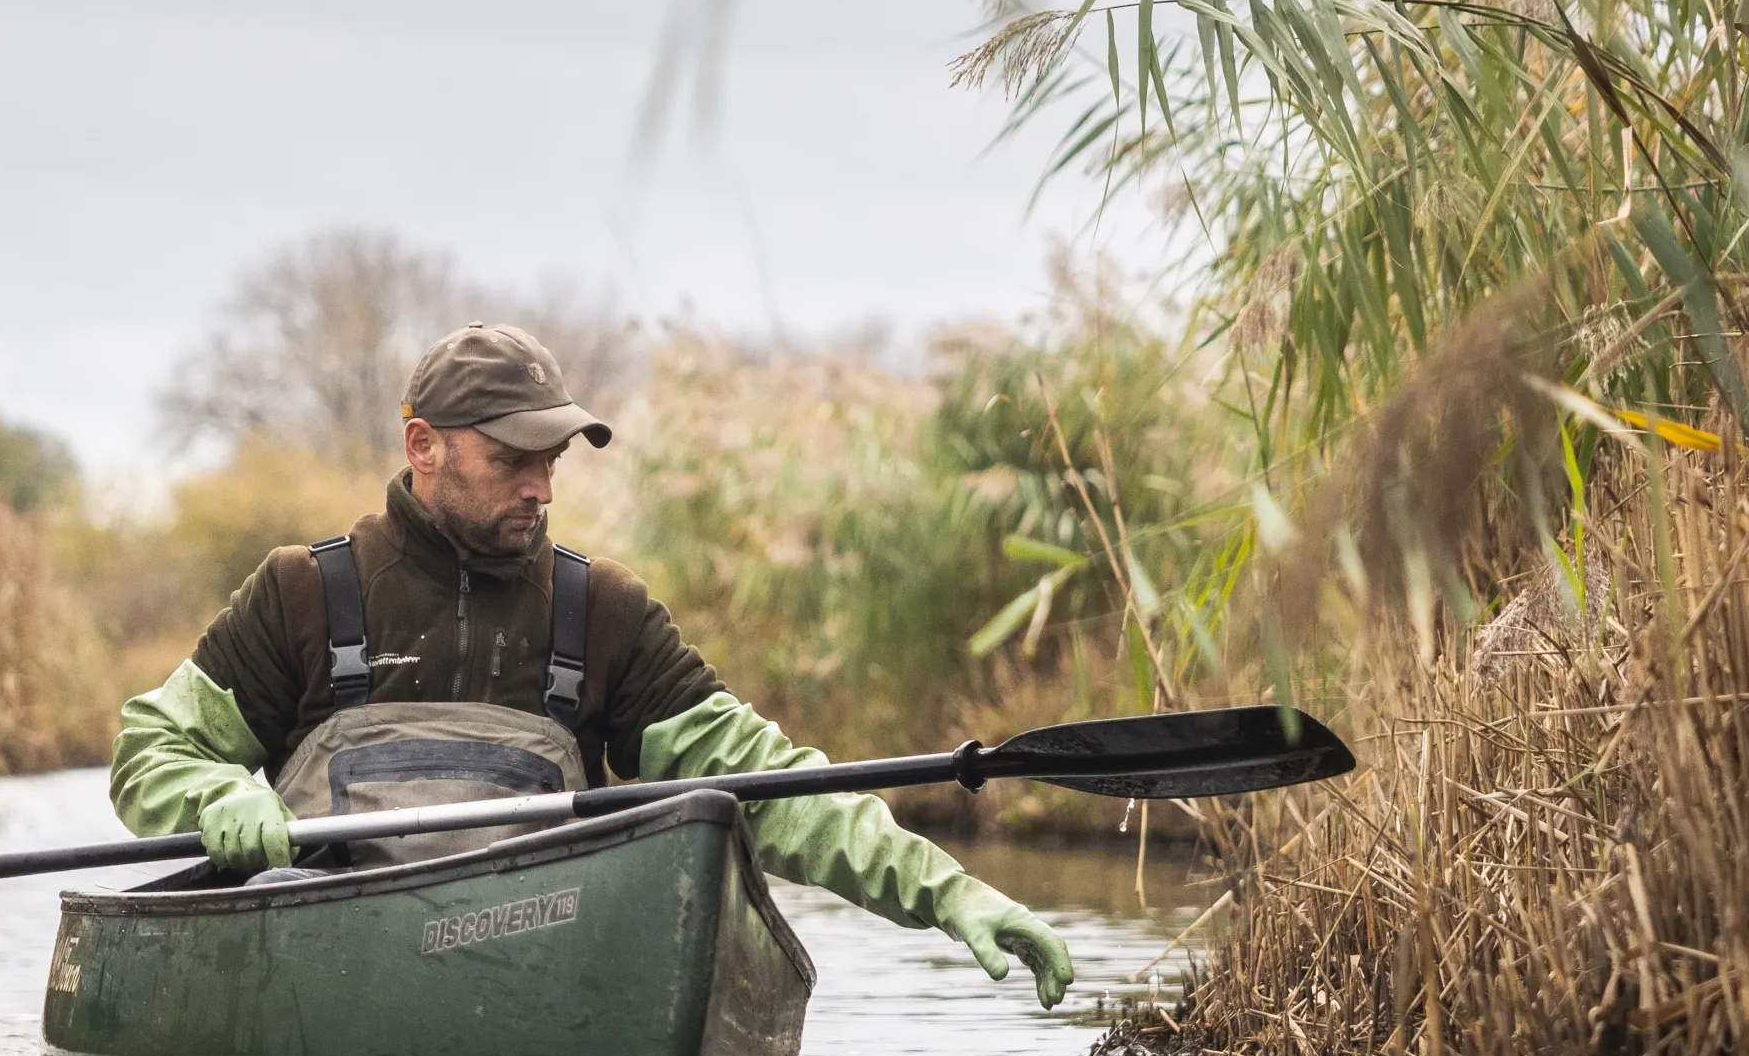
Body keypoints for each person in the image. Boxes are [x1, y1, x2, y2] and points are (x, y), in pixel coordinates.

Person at [109, 321, 1076, 1008]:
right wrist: (207, 794)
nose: (542, 486)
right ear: (424, 446)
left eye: (555, 458)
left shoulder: (602, 612)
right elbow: (150, 746)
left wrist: (953, 893)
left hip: (542, 981)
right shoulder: (303, 594)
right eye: (512, 459)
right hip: (331, 985)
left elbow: (770, 785)